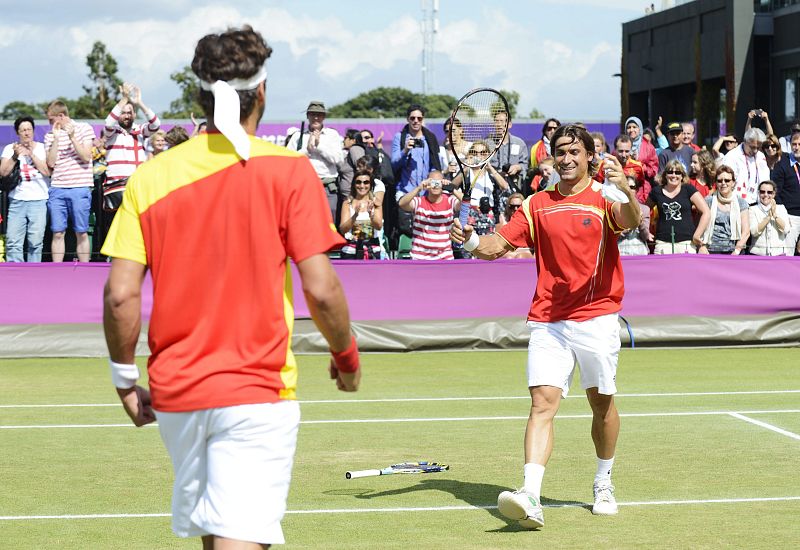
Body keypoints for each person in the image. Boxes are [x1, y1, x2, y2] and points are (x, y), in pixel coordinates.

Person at [101, 26, 360, 549]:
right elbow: (322, 288)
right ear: (261, 91)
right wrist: (346, 355)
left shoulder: (152, 177)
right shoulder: (289, 171)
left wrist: (126, 380)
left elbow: (119, 294)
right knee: (236, 539)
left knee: (218, 534)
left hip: (178, 394)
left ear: (200, 93)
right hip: (256, 390)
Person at [451, 124, 643, 529]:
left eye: (575, 151)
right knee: (542, 404)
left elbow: (629, 218)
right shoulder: (536, 204)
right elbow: (495, 247)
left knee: (601, 402)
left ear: (590, 156)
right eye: (561, 151)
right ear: (551, 157)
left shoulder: (604, 197)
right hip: (548, 319)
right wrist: (469, 240)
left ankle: (603, 481)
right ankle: (531, 495)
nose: (567, 158)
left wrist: (625, 189)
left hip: (598, 316)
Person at [44, 100, 96, 262]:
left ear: (61, 116)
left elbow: (87, 156)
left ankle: (85, 269)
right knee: (58, 232)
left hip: (80, 187)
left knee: (81, 232)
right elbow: (51, 163)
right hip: (58, 188)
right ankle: (57, 271)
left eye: (51, 120)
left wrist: (72, 137)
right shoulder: (50, 135)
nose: (49, 123)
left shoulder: (84, 128)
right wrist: (57, 139)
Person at [103, 83, 161, 213]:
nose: (126, 116)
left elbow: (156, 124)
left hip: (137, 185)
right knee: (116, 228)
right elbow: (108, 123)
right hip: (116, 187)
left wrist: (139, 102)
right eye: (123, 113)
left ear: (134, 114)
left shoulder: (140, 130)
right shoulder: (112, 132)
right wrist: (124, 98)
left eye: (129, 113)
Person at [0, 116, 50, 262]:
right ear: (18, 133)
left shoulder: (42, 147)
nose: (26, 133)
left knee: (35, 242)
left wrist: (31, 154)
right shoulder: (10, 148)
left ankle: (34, 273)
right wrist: (15, 156)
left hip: (40, 200)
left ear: (33, 131)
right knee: (13, 242)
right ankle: (14, 273)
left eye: (29, 129)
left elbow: (47, 172)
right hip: (17, 200)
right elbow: (3, 172)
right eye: (23, 130)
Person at [285, 101, 344, 222]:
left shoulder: (332, 135)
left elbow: (338, 159)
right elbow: (288, 160)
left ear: (324, 117)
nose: (316, 117)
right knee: (305, 221)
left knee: (329, 221)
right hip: (304, 186)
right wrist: (307, 150)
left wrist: (319, 146)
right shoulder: (298, 136)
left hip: (327, 186)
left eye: (319, 114)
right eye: (312, 114)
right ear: (307, 116)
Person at [391, 104, 442, 236]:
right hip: (406, 192)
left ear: (423, 119)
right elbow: (394, 163)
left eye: (419, 118)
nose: (416, 121)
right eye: (412, 118)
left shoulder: (430, 137)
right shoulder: (400, 137)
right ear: (407, 119)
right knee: (406, 231)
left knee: (428, 231)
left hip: (426, 194)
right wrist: (406, 150)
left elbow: (435, 165)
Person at [647, 160, 710, 254]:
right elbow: (644, 210)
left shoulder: (688, 189)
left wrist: (697, 234)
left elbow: (706, 212)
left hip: (686, 244)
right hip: (663, 243)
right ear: (665, 175)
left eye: (677, 172)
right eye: (670, 172)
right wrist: (645, 231)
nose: (674, 175)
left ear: (682, 176)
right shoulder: (656, 191)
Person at [398, 169, 461, 260]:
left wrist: (452, 188)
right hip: (419, 257)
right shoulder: (418, 201)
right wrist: (419, 188)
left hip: (444, 257)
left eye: (438, 182)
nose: (435, 186)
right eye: (432, 182)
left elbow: (466, 203)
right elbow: (402, 204)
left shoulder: (450, 201)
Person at [699, 165, 750, 255]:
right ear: (716, 183)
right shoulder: (708, 201)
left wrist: (736, 251)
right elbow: (700, 227)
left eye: (727, 180)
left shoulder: (741, 203)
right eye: (719, 181)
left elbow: (746, 232)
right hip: (710, 250)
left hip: (734, 251)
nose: (723, 183)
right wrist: (701, 246)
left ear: (733, 182)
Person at [339, 169, 383, 260]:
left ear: (370, 185)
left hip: (372, 249)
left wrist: (371, 215)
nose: (362, 186)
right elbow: (343, 229)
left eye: (366, 182)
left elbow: (378, 226)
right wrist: (355, 215)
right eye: (358, 182)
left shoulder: (376, 203)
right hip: (350, 250)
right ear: (354, 185)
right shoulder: (347, 204)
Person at [769, 131, 800, 255]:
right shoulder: (783, 163)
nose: (796, 147)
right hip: (791, 216)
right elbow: (777, 191)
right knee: (788, 253)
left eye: (799, 144)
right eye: (794, 144)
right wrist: (784, 214)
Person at [722, 127, 768, 206]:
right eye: (752, 147)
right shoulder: (732, 157)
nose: (755, 151)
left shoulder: (761, 156)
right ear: (745, 141)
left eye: (758, 147)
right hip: (737, 204)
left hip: (758, 204)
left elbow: (766, 178)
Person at [489, 110, 529, 193]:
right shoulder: (487, 144)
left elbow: (525, 165)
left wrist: (517, 167)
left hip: (514, 186)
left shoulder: (519, 143)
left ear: (509, 124)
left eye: (502, 121)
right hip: (492, 186)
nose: (499, 124)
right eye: (496, 121)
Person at [749, 180, 791, 256]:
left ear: (774, 194)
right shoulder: (753, 209)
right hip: (758, 254)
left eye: (769, 192)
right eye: (762, 192)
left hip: (779, 254)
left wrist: (775, 215)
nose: (765, 195)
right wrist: (768, 217)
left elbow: (786, 230)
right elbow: (754, 232)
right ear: (758, 193)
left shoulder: (781, 208)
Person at [617, 176, 652, 256]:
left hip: (640, 251)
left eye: (632, 187)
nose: (629, 190)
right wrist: (628, 227)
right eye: (626, 186)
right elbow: (612, 235)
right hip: (620, 250)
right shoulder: (615, 208)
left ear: (636, 190)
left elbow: (646, 236)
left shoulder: (645, 209)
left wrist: (639, 221)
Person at [625, 116, 658, 182]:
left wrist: (641, 166)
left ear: (640, 129)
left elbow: (654, 169)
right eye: (629, 127)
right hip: (625, 184)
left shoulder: (649, 147)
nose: (631, 130)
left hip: (643, 187)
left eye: (634, 127)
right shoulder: (621, 145)